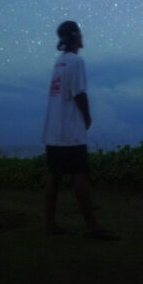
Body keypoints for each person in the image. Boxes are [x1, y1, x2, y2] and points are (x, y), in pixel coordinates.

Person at [42, 20, 119, 240]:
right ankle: (92, 227)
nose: (83, 37)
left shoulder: (60, 62)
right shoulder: (76, 61)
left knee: (55, 177)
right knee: (80, 175)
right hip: (70, 131)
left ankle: (50, 225)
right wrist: (87, 117)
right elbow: (79, 93)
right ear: (76, 36)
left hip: (53, 131)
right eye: (81, 34)